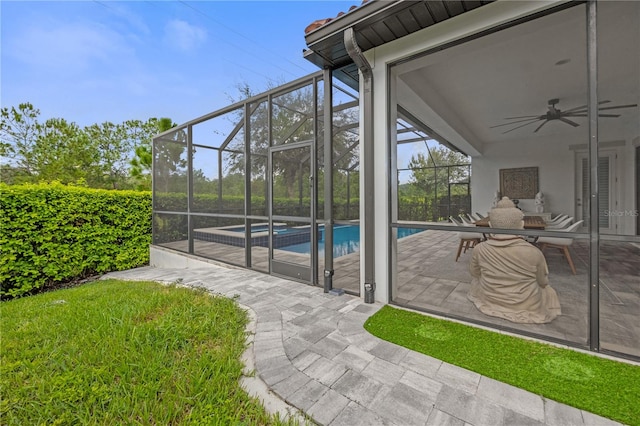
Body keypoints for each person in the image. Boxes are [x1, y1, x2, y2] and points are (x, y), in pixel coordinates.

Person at [467, 197, 561, 323]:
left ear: (490, 225)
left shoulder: (479, 249)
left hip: (491, 296)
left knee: (476, 284)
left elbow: (475, 274)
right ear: (521, 225)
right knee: (548, 291)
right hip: (526, 303)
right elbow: (543, 282)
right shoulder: (533, 252)